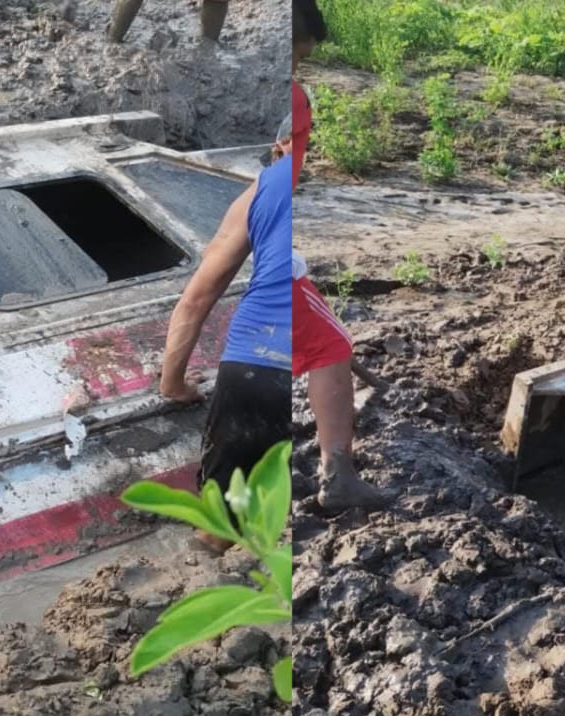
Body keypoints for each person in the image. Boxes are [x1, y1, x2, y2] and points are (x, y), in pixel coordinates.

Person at [159, 145, 293, 551]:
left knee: (219, 525)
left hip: (255, 362)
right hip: (314, 364)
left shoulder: (264, 187)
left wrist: (174, 384)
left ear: (280, 147)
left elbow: (195, 300)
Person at [288, 0, 391, 512]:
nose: (300, 68)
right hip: (259, 253)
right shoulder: (292, 103)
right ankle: (339, 475)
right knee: (331, 345)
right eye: (299, 56)